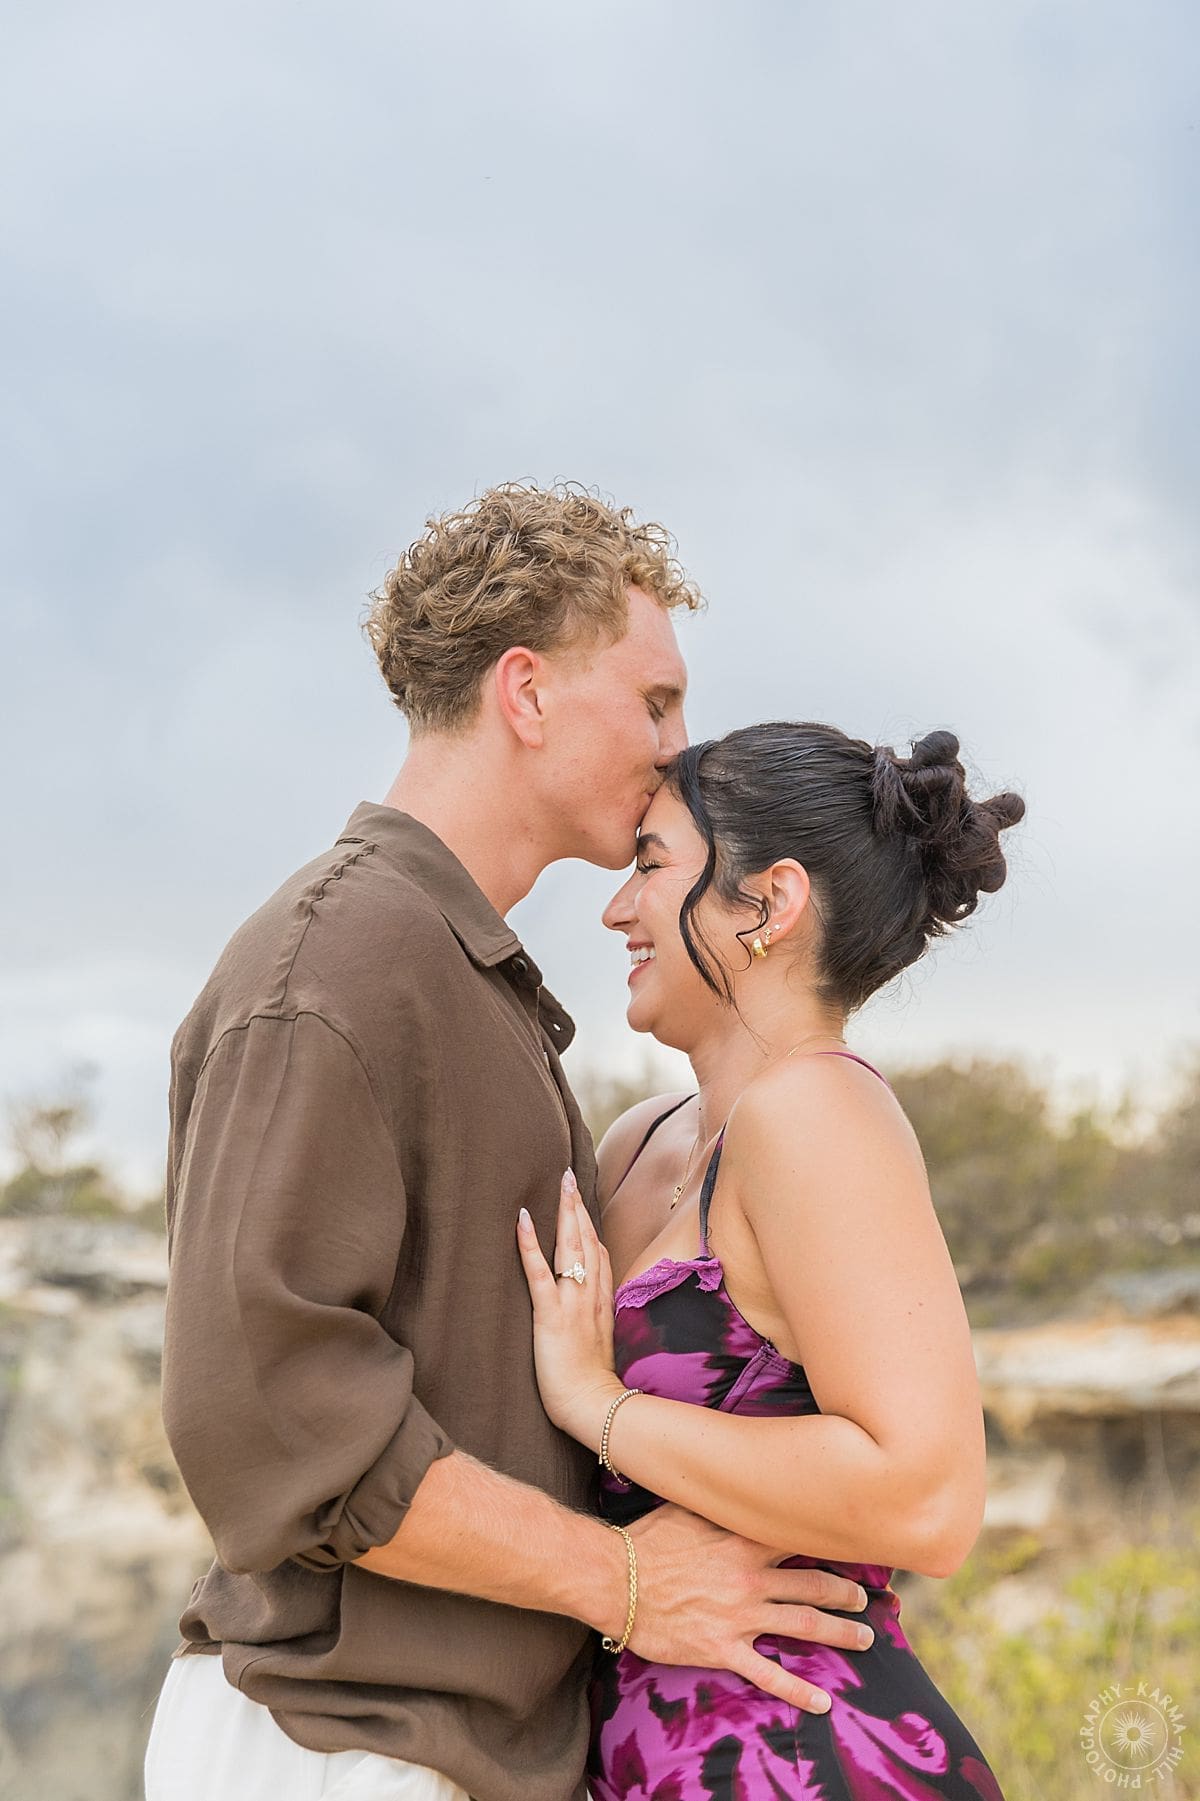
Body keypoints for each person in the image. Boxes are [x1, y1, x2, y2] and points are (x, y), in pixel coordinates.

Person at [143, 488, 879, 1801]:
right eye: (655, 701)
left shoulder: (459, 971)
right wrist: (626, 1583)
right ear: (526, 692)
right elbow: (263, 1417)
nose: (681, 747)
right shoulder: (337, 961)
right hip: (340, 1750)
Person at [517, 721, 1022, 1798]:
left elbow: (927, 1496)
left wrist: (595, 1403)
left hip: (802, 1755)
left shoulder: (817, 1112)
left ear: (767, 904)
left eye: (651, 865)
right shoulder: (641, 1140)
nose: (617, 907)